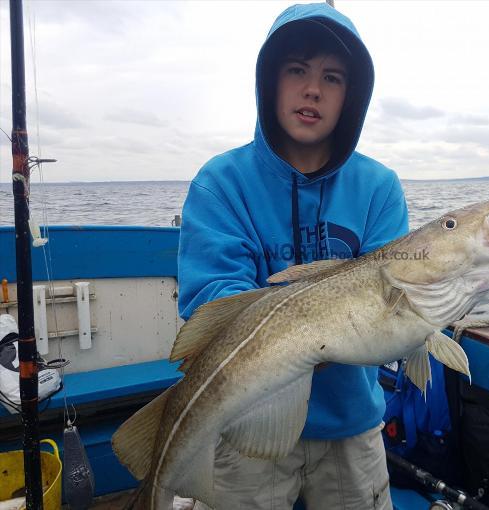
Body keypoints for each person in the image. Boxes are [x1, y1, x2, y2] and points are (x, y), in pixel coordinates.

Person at [178, 3, 408, 509]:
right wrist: (312, 335)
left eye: (333, 76)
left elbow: (389, 305)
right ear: (269, 80)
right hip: (246, 423)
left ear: (353, 95)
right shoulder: (222, 182)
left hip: (350, 425)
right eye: (297, 69)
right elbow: (212, 297)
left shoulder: (379, 188)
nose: (313, 89)